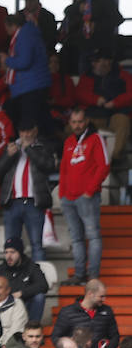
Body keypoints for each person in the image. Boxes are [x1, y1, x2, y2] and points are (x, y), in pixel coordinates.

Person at [58, 108, 107, 284]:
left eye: (80, 121)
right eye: (74, 122)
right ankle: (79, 275)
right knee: (76, 238)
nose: (77, 125)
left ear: (86, 121)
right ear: (69, 123)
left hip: (87, 197)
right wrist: (62, 194)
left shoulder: (96, 138)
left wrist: (89, 191)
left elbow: (104, 166)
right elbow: (63, 170)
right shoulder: (69, 141)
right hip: (69, 198)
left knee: (92, 236)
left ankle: (93, 276)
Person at [0, 273, 28, 346]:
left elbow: (16, 330)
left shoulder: (17, 304)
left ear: (8, 290)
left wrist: (3, 344)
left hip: (9, 346)